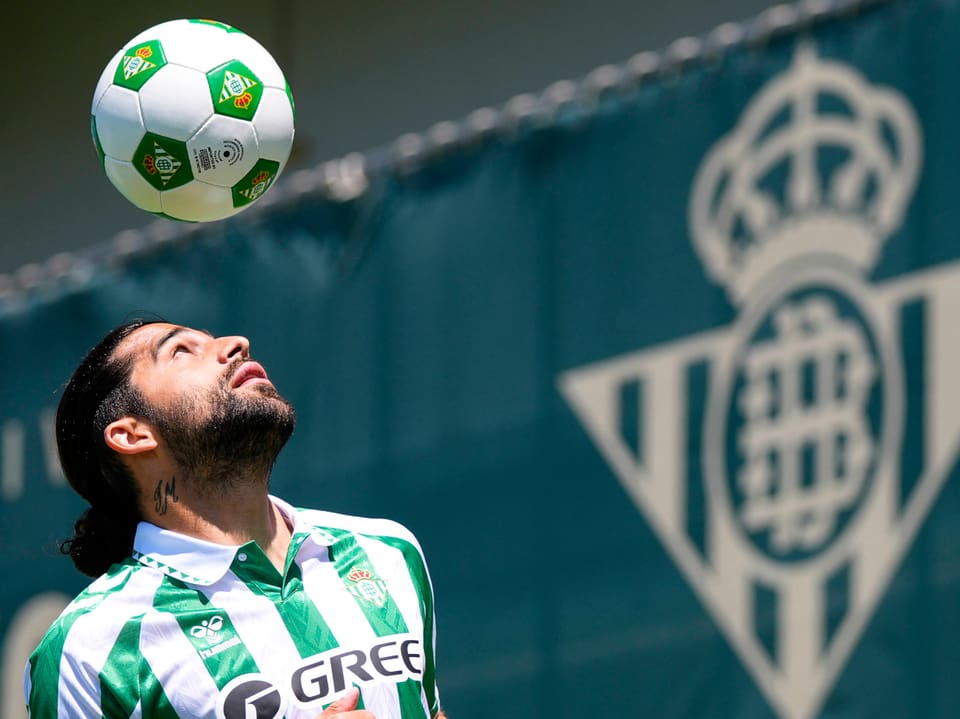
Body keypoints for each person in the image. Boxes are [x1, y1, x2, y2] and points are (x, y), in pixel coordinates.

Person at [24, 319, 445, 719]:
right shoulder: (89, 647)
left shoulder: (386, 549)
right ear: (133, 435)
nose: (236, 343)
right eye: (181, 351)